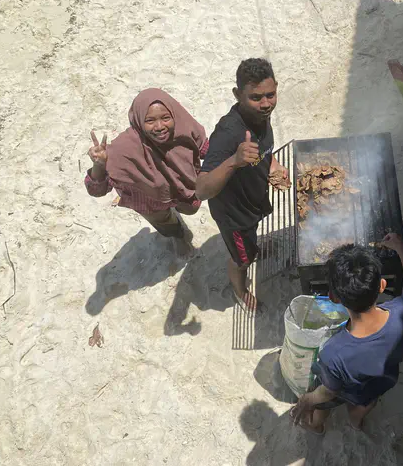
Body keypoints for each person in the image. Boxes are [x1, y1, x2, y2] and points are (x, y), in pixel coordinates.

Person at [290, 233, 403, 434]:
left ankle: (316, 425)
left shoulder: (334, 353)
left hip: (348, 388)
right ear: (382, 285)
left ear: (334, 298)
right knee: (368, 399)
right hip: (383, 378)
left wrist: (308, 400)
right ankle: (356, 420)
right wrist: (402, 251)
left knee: (323, 402)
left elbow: (329, 392)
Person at [195, 58, 289, 312]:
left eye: (270, 95)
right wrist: (234, 161)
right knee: (241, 259)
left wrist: (273, 166)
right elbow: (201, 190)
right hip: (235, 217)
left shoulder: (262, 115)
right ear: (238, 95)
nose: (266, 103)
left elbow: (263, 150)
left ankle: (252, 247)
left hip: (253, 202)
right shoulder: (227, 133)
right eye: (256, 97)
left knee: (250, 243)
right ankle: (240, 290)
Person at [85, 89, 208, 256]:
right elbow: (96, 190)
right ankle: (177, 235)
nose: (159, 127)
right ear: (138, 120)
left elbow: (208, 151)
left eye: (165, 118)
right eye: (150, 120)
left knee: (191, 208)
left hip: (181, 190)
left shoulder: (185, 128)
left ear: (174, 114)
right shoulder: (123, 149)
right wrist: (99, 165)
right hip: (148, 200)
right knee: (165, 223)